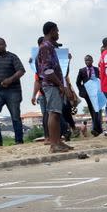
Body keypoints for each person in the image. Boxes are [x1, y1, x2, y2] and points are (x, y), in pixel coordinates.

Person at [36, 21, 74, 152]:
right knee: (53, 113)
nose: (58, 34)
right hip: (51, 85)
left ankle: (58, 142)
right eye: (57, 31)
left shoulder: (50, 47)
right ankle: (54, 144)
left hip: (54, 84)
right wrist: (60, 85)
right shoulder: (45, 47)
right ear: (51, 31)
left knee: (57, 114)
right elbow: (47, 70)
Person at [0, 37, 25, 146]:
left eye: (0, 44)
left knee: (15, 116)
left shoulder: (12, 57)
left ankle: (18, 140)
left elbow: (21, 71)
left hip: (13, 91)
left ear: (5, 45)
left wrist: (10, 80)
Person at [76, 55, 102, 135]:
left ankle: (96, 129)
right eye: (86, 60)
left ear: (92, 61)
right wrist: (82, 91)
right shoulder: (82, 71)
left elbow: (100, 79)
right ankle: (98, 129)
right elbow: (78, 82)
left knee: (96, 110)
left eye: (89, 60)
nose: (87, 62)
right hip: (87, 94)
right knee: (92, 110)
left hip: (96, 93)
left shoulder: (96, 70)